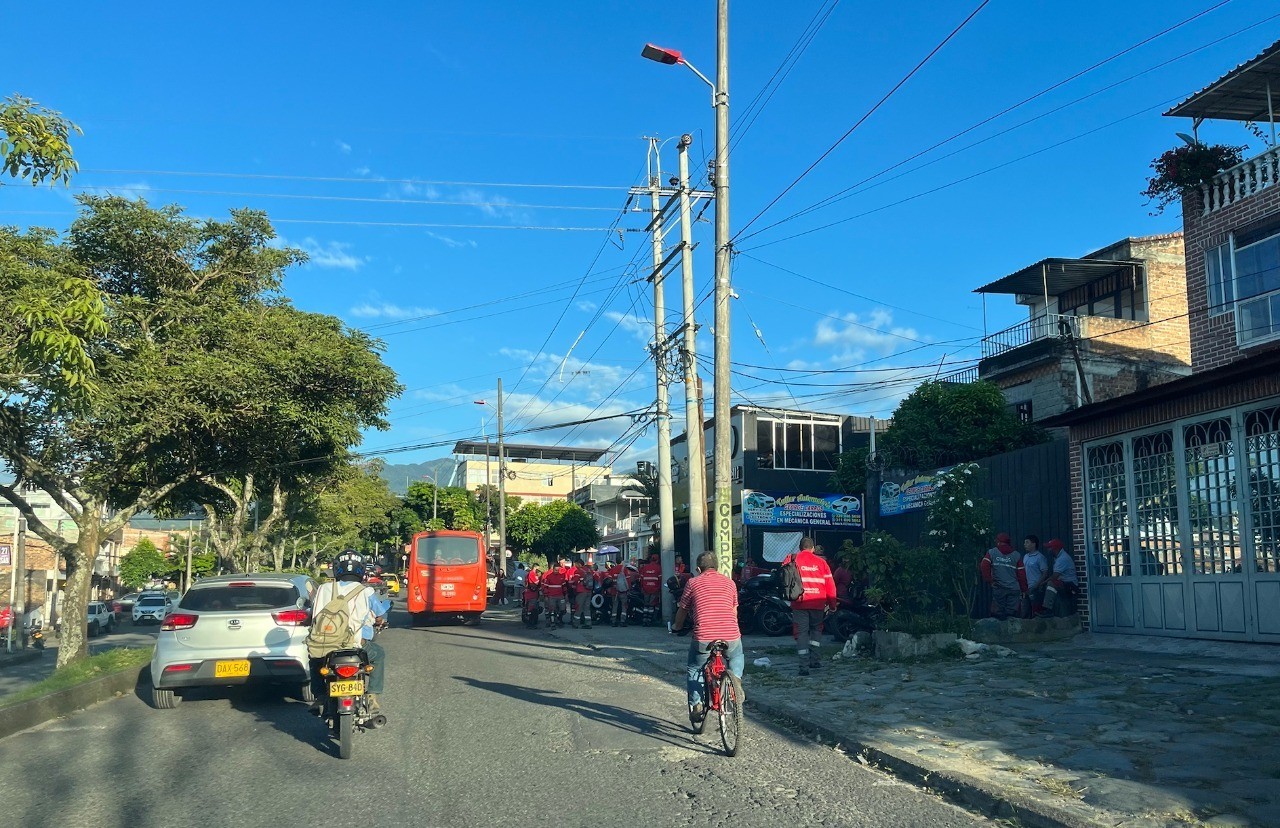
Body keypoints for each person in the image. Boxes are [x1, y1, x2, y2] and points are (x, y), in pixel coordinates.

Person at [309, 556, 388, 713]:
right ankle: (372, 696)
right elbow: (380, 614)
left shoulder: (324, 589)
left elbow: (314, 615)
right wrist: (379, 620)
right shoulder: (367, 591)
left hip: (326, 645)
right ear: (361, 570)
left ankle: (319, 697)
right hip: (357, 644)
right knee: (378, 655)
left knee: (314, 659)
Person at [671, 551, 744, 722]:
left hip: (704, 635)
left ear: (698, 568)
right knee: (736, 655)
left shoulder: (693, 582)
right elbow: (734, 611)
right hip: (730, 633)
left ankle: (696, 704)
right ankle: (736, 682)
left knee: (695, 667)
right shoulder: (730, 582)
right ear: (717, 567)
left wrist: (677, 626)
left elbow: (683, 609)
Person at [782, 538, 837, 676]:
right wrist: (832, 605)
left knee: (801, 633)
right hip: (818, 603)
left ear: (800, 548)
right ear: (813, 548)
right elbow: (830, 586)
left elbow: (783, 574)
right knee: (816, 631)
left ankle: (803, 666)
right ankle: (815, 661)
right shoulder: (822, 563)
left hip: (799, 603)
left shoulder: (793, 559)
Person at [980, 532, 1028, 620]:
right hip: (1014, 589)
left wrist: (989, 580)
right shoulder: (1016, 555)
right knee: (1011, 616)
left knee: (997, 615)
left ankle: (997, 632)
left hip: (999, 588)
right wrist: (1024, 589)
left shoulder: (992, 552)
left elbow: (984, 565)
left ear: (998, 541)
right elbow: (1022, 574)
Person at [1038, 539, 1078, 617]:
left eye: (1049, 548)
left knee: (1051, 583)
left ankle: (1048, 609)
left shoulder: (1062, 559)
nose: (1048, 550)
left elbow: (1054, 576)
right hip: (1065, 584)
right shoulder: (1058, 557)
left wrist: (1042, 583)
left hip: (1070, 586)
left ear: (1054, 549)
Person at [1021, 534, 1049, 617]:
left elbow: (1045, 573)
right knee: (1025, 611)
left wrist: (1037, 585)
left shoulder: (1040, 557)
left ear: (1034, 544)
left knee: (1036, 611)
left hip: (1036, 588)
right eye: (1024, 542)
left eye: (1027, 542)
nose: (1024, 544)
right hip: (1026, 588)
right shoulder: (1025, 556)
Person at [541, 560, 569, 630]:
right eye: (556, 570)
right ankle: (552, 623)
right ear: (553, 569)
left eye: (558, 570)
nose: (557, 571)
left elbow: (564, 586)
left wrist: (565, 595)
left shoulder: (561, 576)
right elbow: (545, 587)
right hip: (551, 596)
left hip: (560, 595)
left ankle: (558, 619)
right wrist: (546, 596)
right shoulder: (548, 576)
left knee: (562, 609)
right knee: (552, 610)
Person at [608, 559, 631, 627]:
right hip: (623, 591)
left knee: (614, 606)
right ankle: (622, 621)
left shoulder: (612, 569)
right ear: (622, 561)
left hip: (614, 591)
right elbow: (628, 580)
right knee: (624, 606)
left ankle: (613, 621)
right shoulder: (625, 569)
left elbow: (609, 580)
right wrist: (628, 589)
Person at [571, 558, 594, 628]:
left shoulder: (578, 571)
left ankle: (576, 623)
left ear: (579, 564)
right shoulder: (589, 570)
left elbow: (574, 581)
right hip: (589, 591)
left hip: (581, 592)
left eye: (576, 564)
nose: (575, 566)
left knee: (578, 607)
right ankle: (588, 623)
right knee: (587, 608)